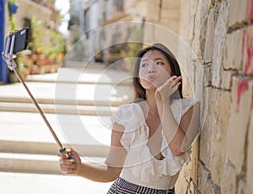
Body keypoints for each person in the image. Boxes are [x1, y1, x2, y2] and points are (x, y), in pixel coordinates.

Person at [59, 43, 201, 194]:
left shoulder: (189, 108)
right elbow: (111, 171)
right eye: (144, 65)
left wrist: (162, 101)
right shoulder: (127, 114)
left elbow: (178, 148)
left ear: (173, 71)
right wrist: (80, 168)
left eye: (159, 63)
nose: (151, 69)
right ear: (138, 78)